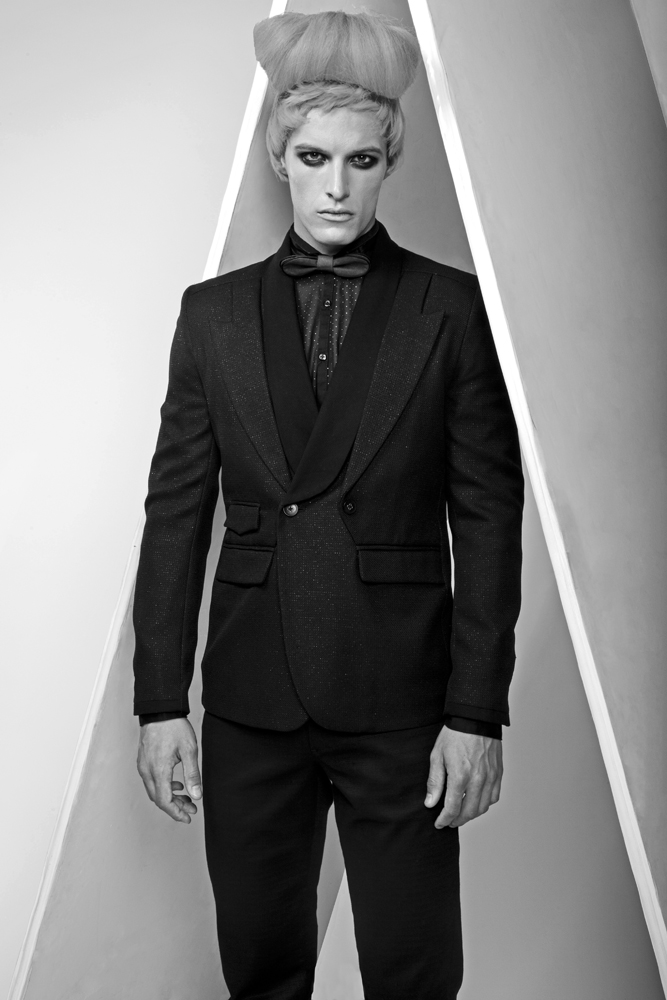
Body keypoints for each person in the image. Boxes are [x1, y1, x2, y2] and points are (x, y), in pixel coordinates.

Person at [133, 10, 523, 1000]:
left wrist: (476, 712)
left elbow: (487, 518)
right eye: (314, 158)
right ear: (281, 159)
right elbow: (175, 514)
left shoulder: (452, 309)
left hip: (402, 700)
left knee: (413, 973)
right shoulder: (210, 314)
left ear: (389, 162)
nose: (337, 186)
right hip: (250, 695)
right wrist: (160, 701)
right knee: (261, 971)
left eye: (361, 160)